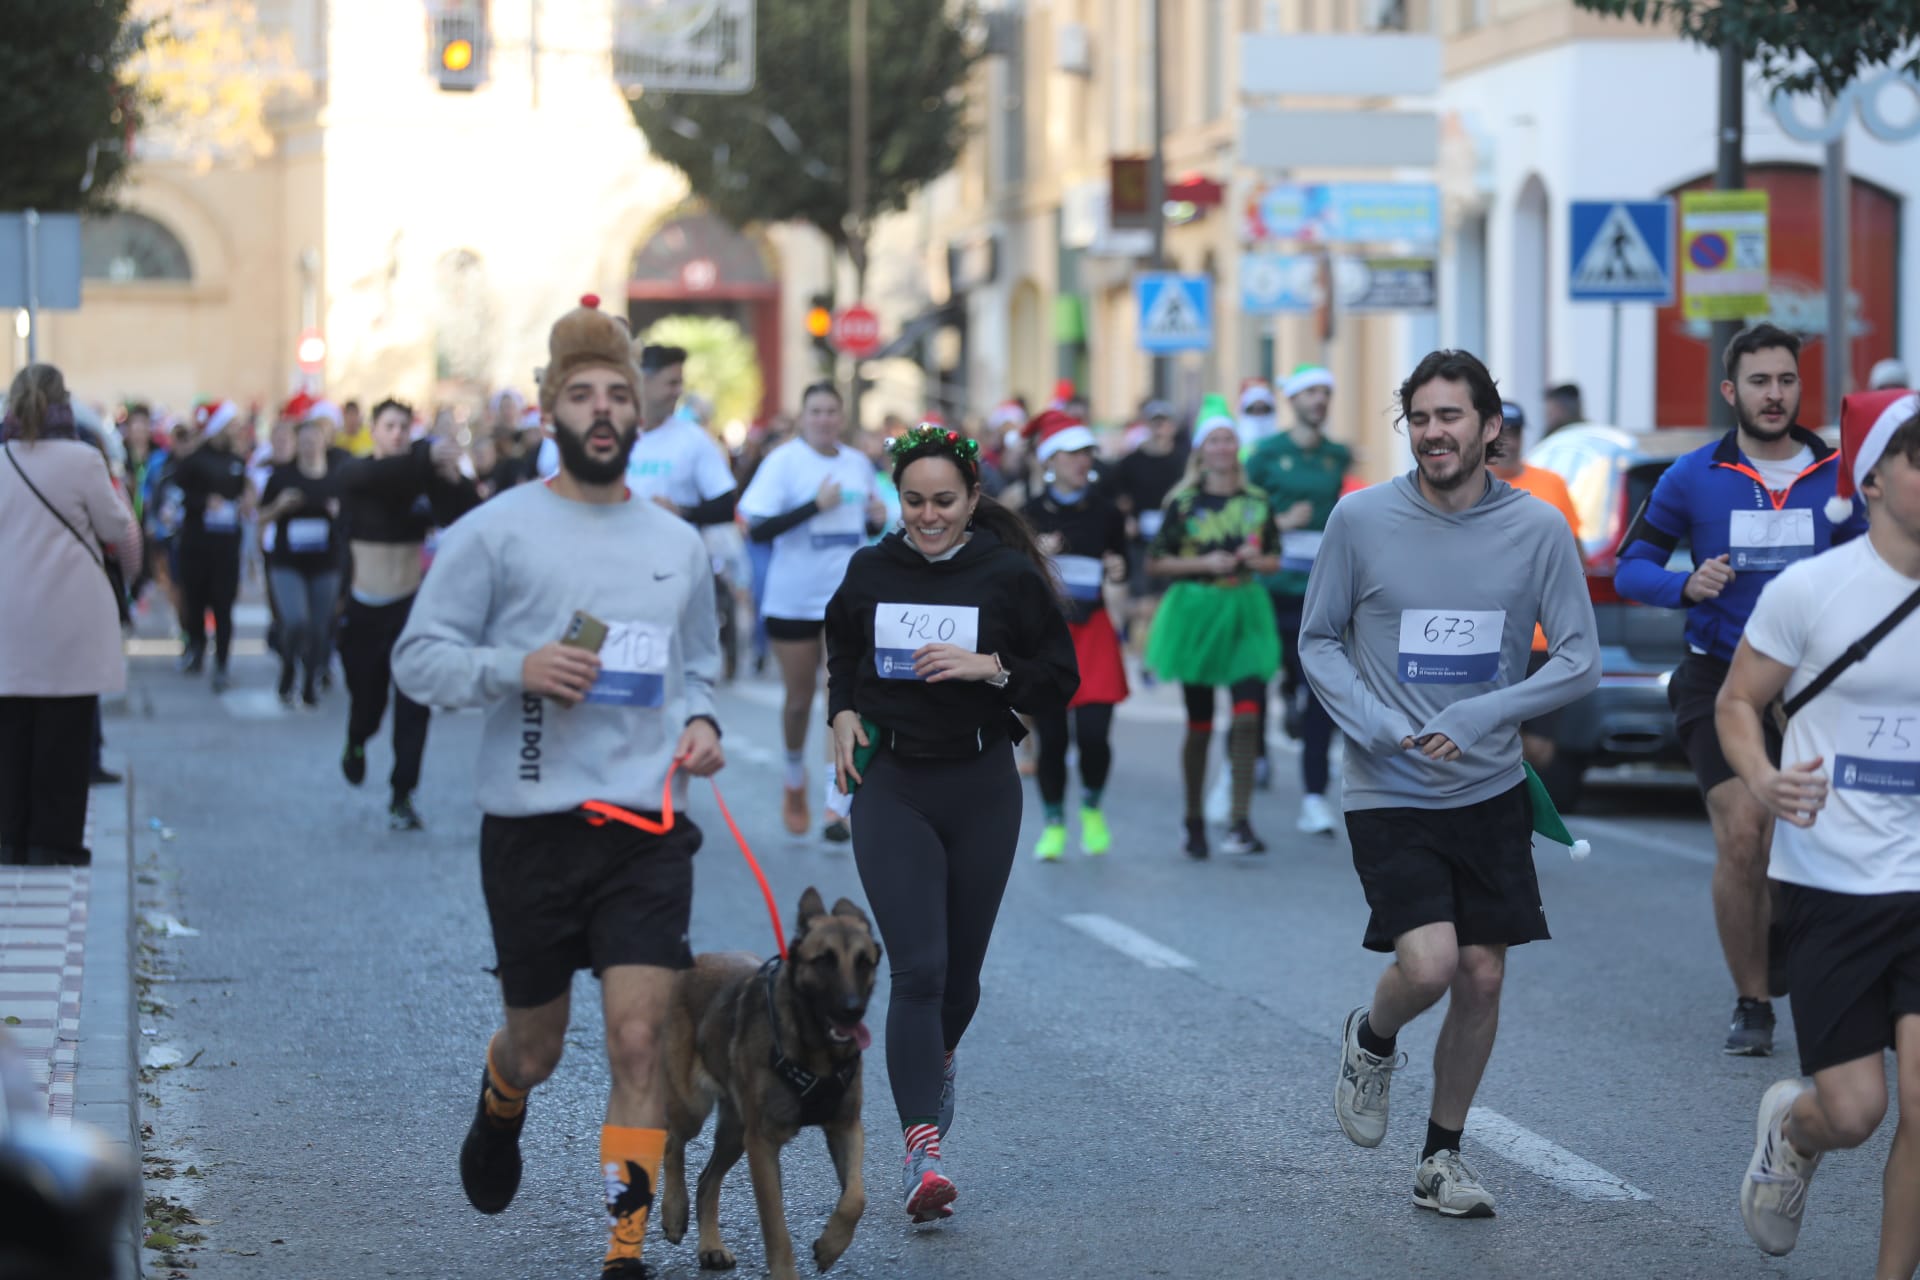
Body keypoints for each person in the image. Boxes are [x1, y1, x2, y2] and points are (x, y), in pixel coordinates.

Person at [392, 296, 723, 1280]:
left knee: (640, 1039)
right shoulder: (496, 531)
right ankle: (503, 1100)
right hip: (532, 827)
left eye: (618, 393)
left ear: (640, 412)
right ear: (550, 411)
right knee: (537, 1048)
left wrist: (702, 722)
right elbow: (417, 659)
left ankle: (624, 1246)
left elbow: (700, 667)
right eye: (582, 394)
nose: (603, 409)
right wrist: (516, 667)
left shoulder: (677, 545)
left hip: (646, 827)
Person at [1302, 349, 1600, 1219]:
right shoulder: (1361, 520)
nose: (1434, 433)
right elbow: (1318, 639)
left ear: (1490, 426)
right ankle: (1373, 1037)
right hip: (1388, 786)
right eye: (1421, 418)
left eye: (1451, 416)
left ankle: (1442, 1157)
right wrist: (1375, 722)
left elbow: (1578, 657)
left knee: (1483, 977)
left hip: (1489, 785)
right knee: (1430, 965)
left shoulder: (1537, 528)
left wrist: (1484, 714)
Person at [824, 422, 1077, 1221]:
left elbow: (1060, 679)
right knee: (919, 971)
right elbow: (843, 650)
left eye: (943, 501)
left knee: (960, 979)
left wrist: (990, 668)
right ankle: (920, 1152)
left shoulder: (1007, 576)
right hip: (892, 784)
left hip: (981, 785)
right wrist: (840, 711)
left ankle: (935, 1060)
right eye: (913, 502)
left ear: (972, 499)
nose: (927, 517)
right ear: (896, 501)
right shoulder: (871, 569)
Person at [1615, 322, 1867, 1056]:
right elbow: (1632, 567)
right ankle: (1753, 1003)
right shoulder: (1693, 475)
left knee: (1806, 837)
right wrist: (1684, 584)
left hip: (1816, 685)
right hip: (1719, 678)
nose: (1774, 394)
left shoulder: (1841, 476)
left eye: (1786, 380)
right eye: (1760, 381)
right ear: (1732, 391)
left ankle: (1782, 922)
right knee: (1745, 830)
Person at [1716, 390, 1920, 1269]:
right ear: (1870, 480)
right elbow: (1737, 701)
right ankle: (1795, 1131)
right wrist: (1763, 778)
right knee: (1856, 1111)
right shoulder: (1812, 589)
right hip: (1831, 879)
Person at [0, 364, 141, 867]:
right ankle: (54, 843)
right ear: (63, 402)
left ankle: (9, 838)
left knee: (11, 729)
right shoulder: (83, 460)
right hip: (73, 610)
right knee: (66, 730)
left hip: (8, 611)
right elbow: (118, 529)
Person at [736, 382, 884, 840]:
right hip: (794, 598)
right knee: (800, 700)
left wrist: (876, 519)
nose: (824, 419)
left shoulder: (858, 463)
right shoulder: (783, 462)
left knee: (841, 696)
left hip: (846, 599)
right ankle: (794, 779)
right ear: (802, 417)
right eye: (815, 411)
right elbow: (757, 530)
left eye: (831, 411)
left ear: (842, 417)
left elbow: (866, 525)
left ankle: (836, 801)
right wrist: (812, 507)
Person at [1144, 398, 1282, 859]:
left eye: (1229, 439)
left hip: (1245, 610)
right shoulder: (1183, 503)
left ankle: (1240, 820)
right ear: (1201, 450)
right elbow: (1155, 562)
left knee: (1248, 715)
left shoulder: (1257, 501)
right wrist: (1204, 563)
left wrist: (1253, 560)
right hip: (1196, 614)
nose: (1222, 447)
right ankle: (1193, 819)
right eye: (1214, 440)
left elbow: (1275, 558)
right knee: (1199, 724)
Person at [336, 398, 480, 831]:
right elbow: (382, 476)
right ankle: (357, 740)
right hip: (365, 609)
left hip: (412, 609)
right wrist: (426, 454)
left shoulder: (422, 476)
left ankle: (403, 793)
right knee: (369, 702)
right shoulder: (357, 472)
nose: (398, 433)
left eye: (405, 426)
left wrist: (453, 480)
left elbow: (467, 514)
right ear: (374, 431)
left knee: (415, 704)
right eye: (390, 426)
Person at [1245, 363, 1351, 834]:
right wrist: (1279, 524)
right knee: (1256, 683)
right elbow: (1241, 512)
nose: (1319, 401)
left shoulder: (1336, 456)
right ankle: (1252, 758)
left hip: (1320, 594)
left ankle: (1313, 797)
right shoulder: (1266, 454)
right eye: (1310, 393)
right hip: (1269, 591)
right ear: (1292, 401)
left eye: (1325, 393)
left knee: (1322, 696)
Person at [1019, 411, 1129, 860]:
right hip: (1048, 637)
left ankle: (1092, 808)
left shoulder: (1106, 511)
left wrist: (1118, 571)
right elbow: (1009, 577)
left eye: (1087, 453)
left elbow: (1120, 565)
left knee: (1095, 735)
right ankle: (1054, 823)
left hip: (1094, 632)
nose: (1083, 461)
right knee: (1052, 738)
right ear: (1050, 460)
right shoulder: (1028, 513)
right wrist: (1035, 556)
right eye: (1073, 453)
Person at [1485, 400, 1582, 777]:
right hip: (1489, 637)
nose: (1507, 442)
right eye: (1500, 433)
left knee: (1540, 748)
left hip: (1543, 640)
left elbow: (1576, 555)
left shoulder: (1550, 484)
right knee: (1493, 738)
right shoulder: (1471, 488)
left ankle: (1515, 800)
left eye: (1515, 433)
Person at [260, 408, 347, 708]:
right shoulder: (282, 477)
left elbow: (352, 520)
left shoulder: (337, 478)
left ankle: (310, 681)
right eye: (304, 441)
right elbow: (259, 516)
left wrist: (339, 513)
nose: (309, 446)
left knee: (320, 627)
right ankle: (288, 666)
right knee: (296, 621)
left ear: (325, 442)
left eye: (315, 441)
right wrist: (279, 506)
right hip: (288, 561)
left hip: (326, 562)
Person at [168, 400, 252, 692]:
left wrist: (245, 503)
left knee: (224, 605)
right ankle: (196, 648)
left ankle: (223, 663)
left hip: (226, 546)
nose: (235, 430)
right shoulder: (193, 461)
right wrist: (203, 502)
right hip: (197, 545)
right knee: (195, 602)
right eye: (230, 425)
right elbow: (176, 496)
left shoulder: (237, 460)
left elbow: (244, 493)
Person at [1112, 400, 1187, 672]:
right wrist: (1126, 517)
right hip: (1140, 540)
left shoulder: (1182, 460)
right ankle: (1143, 656)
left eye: (1164, 421)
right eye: (1155, 421)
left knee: (1168, 599)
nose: (1160, 427)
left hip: (1174, 541)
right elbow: (1117, 495)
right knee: (1141, 600)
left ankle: (1163, 651)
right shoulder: (1130, 461)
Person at [1236, 379, 1280, 448]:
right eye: (1254, 410)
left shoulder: (1280, 443)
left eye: (1265, 409)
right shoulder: (1235, 444)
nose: (1260, 415)